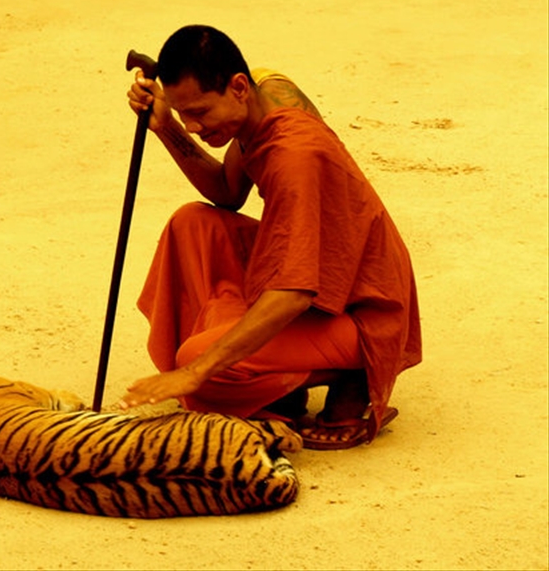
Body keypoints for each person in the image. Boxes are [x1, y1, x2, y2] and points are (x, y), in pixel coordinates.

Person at [118, 25, 421, 450]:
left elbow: (294, 292)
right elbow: (226, 192)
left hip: (362, 308)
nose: (194, 125)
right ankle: (276, 380)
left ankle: (351, 377)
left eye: (200, 112)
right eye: (185, 113)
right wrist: (165, 127)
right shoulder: (266, 91)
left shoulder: (294, 158)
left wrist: (195, 371)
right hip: (325, 278)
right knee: (192, 224)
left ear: (238, 87)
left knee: (197, 362)